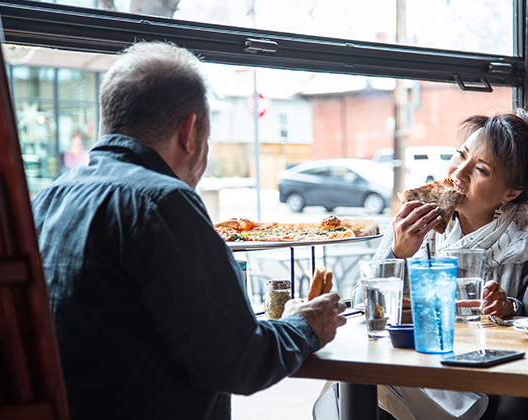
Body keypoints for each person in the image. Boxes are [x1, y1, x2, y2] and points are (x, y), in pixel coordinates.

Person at [31, 41, 347, 420]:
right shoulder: (163, 203)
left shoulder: (45, 201)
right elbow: (239, 361)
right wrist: (306, 325)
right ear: (189, 131)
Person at [314, 109, 528, 420]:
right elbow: (364, 305)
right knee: (357, 377)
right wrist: (397, 253)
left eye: (481, 170)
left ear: (510, 193)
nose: (459, 173)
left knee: (365, 382)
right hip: (417, 362)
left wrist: (508, 306)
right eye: (461, 155)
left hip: (481, 380)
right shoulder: (414, 226)